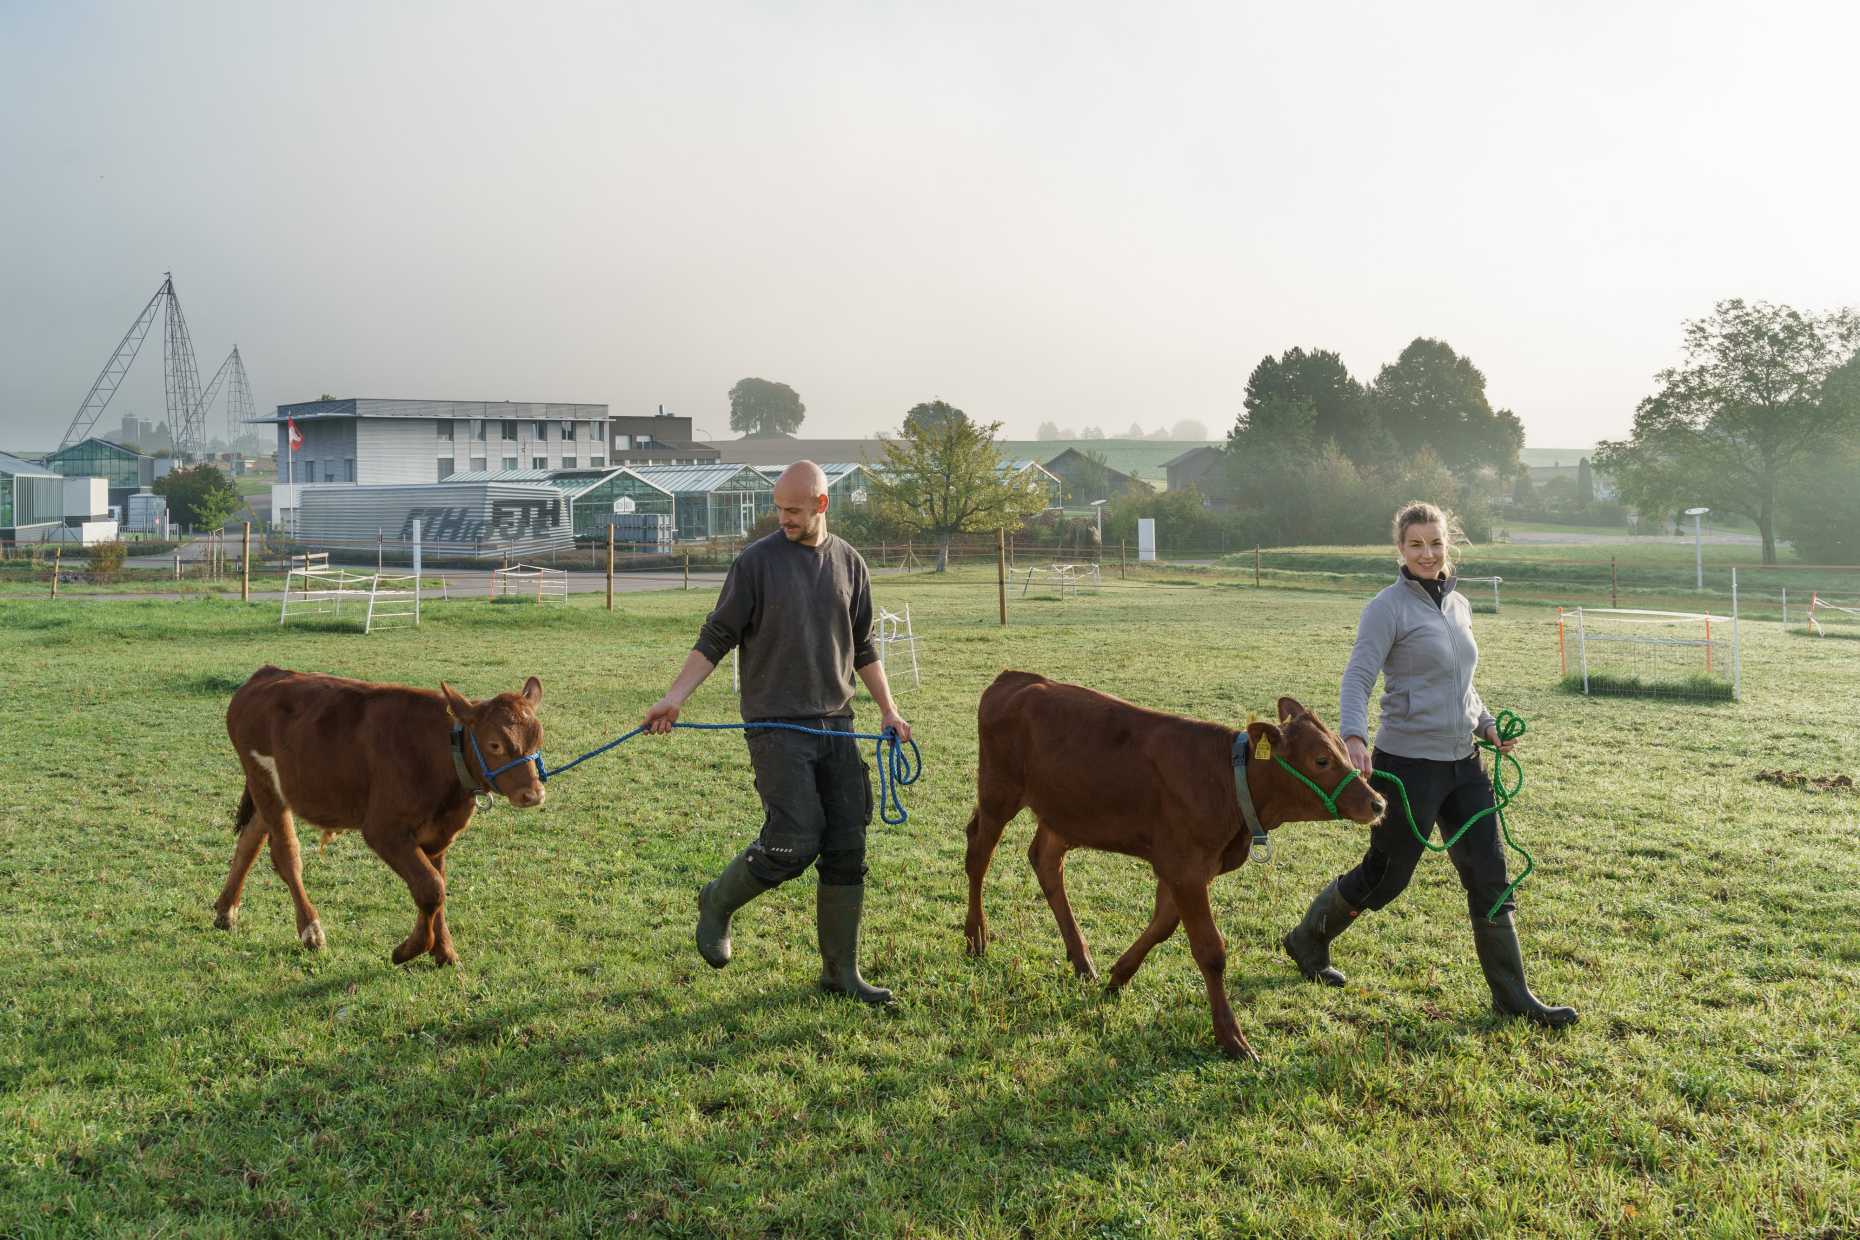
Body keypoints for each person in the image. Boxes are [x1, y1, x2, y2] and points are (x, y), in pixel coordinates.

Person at [1280, 501, 1577, 1027]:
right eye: (1416, 544)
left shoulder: (1459, 604)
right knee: (1386, 878)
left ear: (1448, 545)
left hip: (1464, 764)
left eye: (1435, 543)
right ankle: (1309, 939)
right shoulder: (1386, 608)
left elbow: (1463, 684)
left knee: (1490, 874)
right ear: (1400, 549)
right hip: (1408, 766)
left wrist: (1485, 724)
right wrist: (1353, 736)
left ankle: (1512, 997)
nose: (1427, 552)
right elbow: (1357, 678)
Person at [644, 461, 911, 1005]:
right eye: (778, 508)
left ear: (821, 505)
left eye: (793, 510)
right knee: (794, 840)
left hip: (838, 725)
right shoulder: (756, 564)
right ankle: (717, 901)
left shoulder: (850, 564)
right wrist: (674, 697)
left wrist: (889, 709)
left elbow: (863, 648)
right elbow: (717, 636)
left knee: (846, 846)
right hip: (775, 725)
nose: (782, 518)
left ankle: (840, 973)